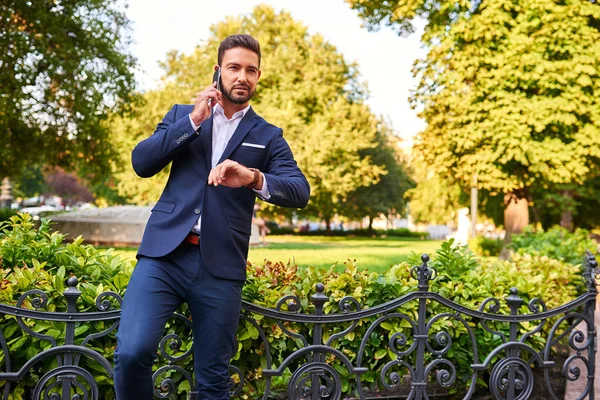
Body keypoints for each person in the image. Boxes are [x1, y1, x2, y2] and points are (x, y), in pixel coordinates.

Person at [113, 34, 310, 399]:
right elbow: (141, 162)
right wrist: (191, 121)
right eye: (234, 67)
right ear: (218, 71)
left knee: (213, 379)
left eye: (250, 70)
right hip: (164, 257)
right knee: (131, 352)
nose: (242, 77)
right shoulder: (180, 115)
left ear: (258, 76)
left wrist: (253, 177)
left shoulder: (267, 136)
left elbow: (300, 190)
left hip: (220, 265)